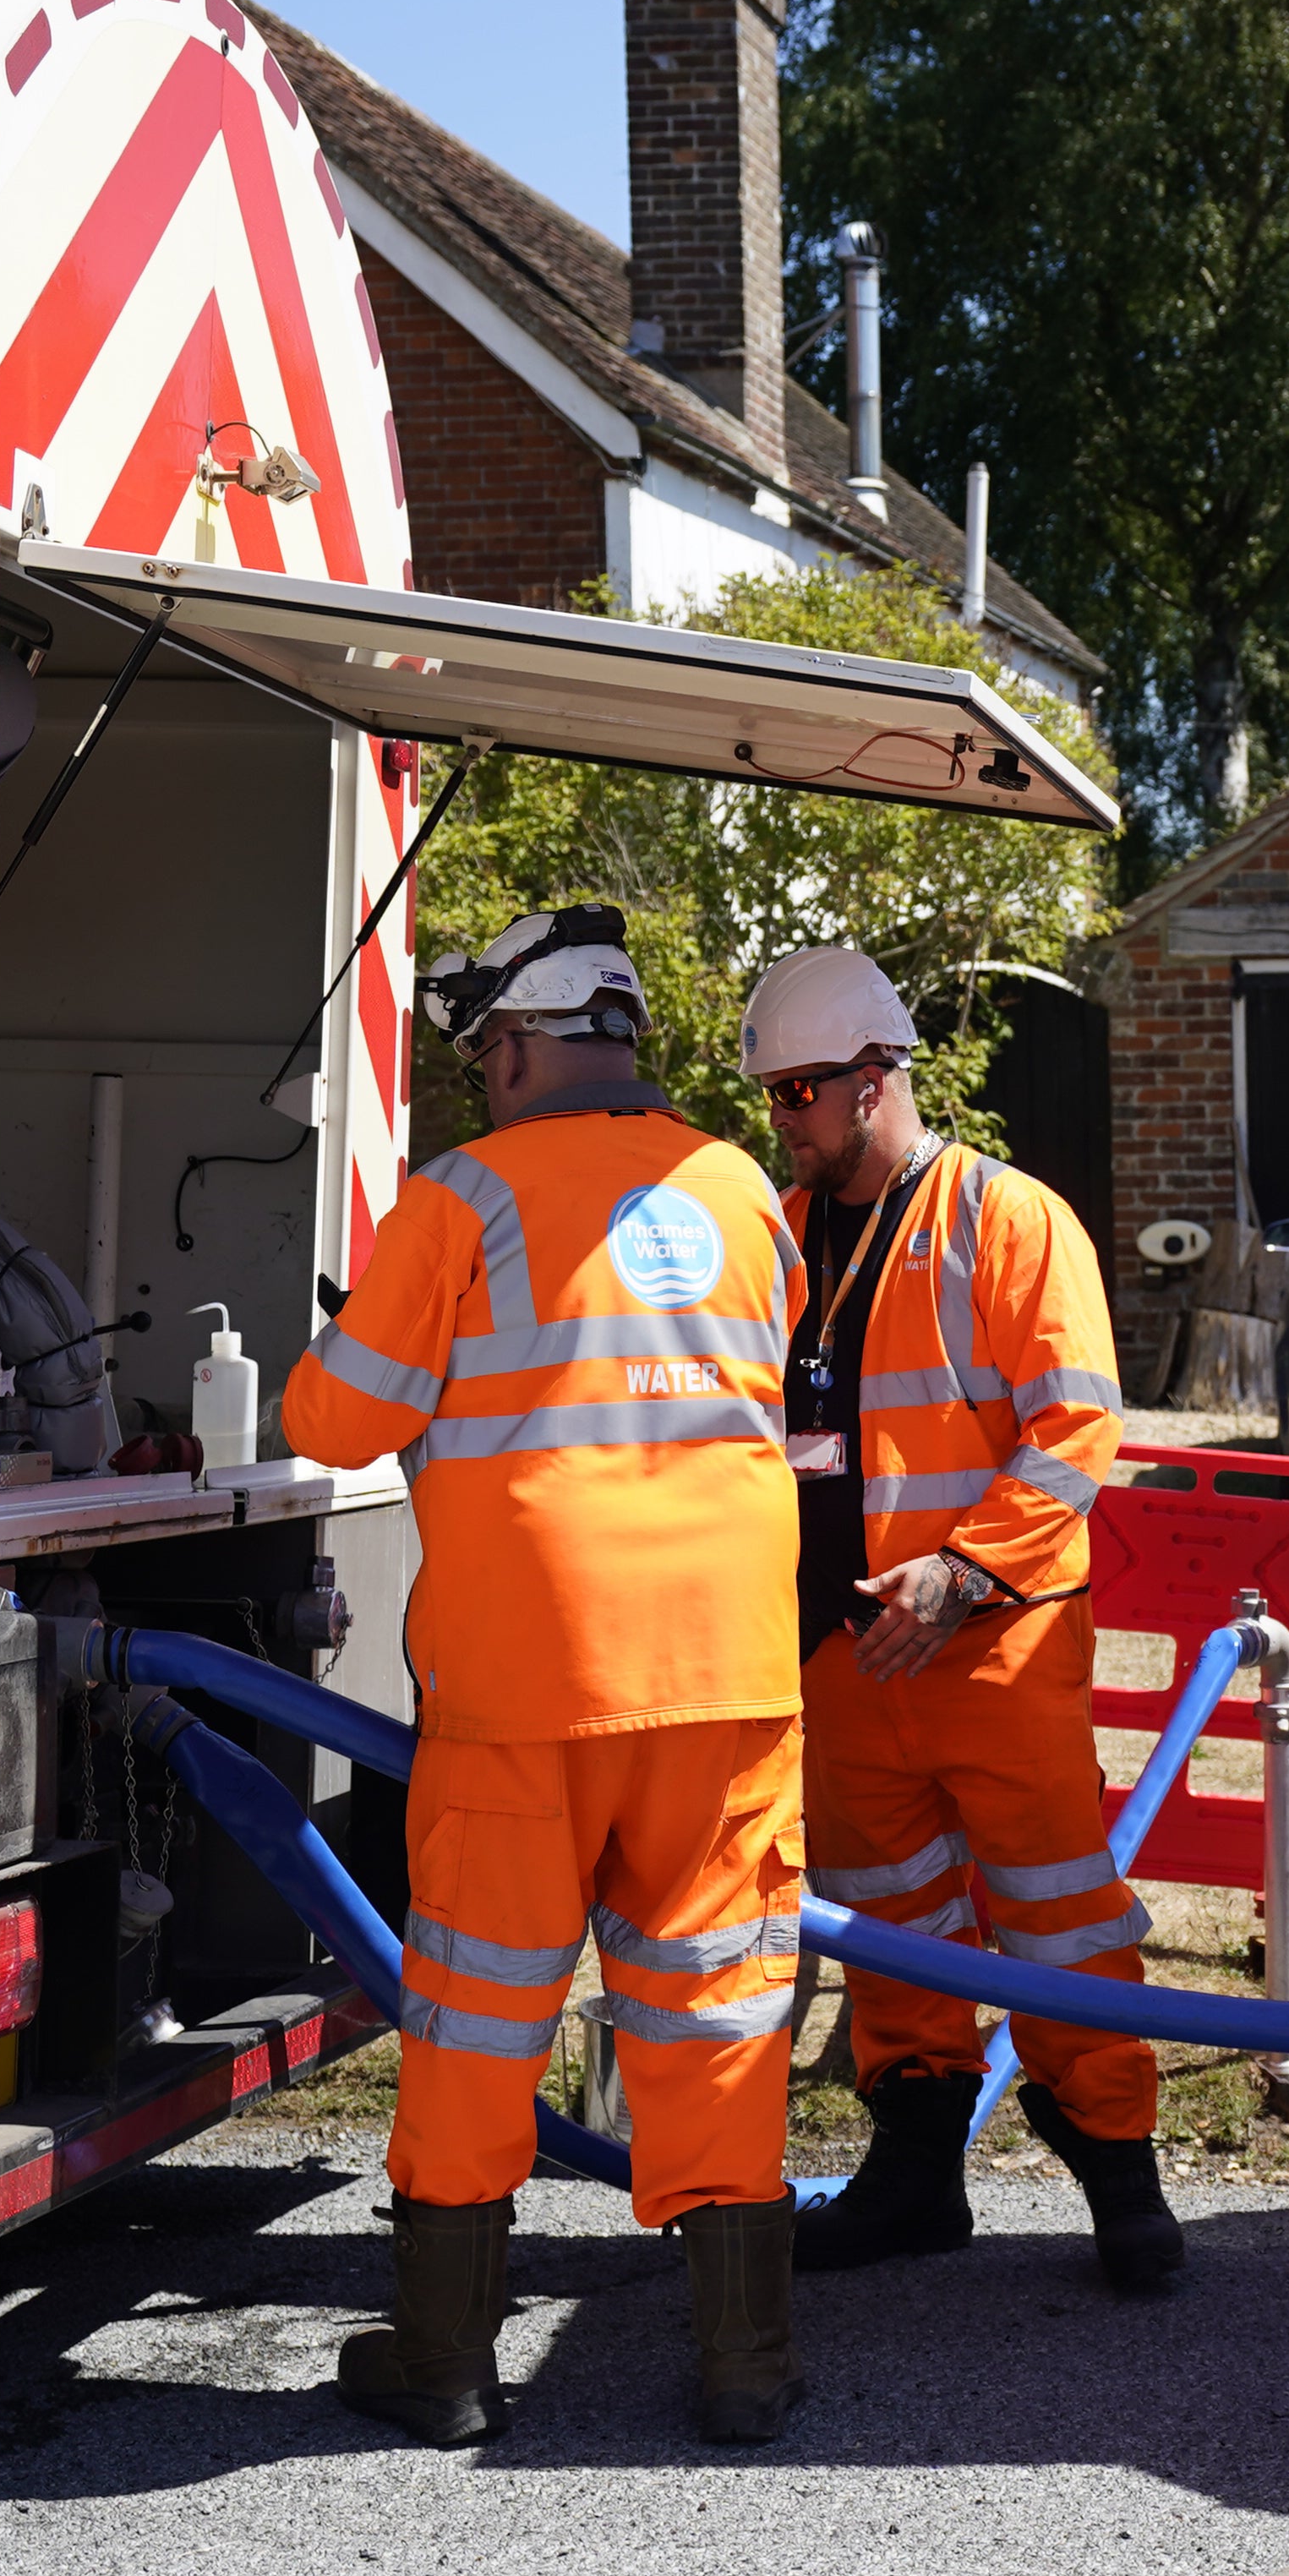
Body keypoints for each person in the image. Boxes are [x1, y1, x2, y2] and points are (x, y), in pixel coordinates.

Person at [278, 904, 815, 2447]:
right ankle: (745, 2362)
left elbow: (335, 1421)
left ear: (515, 1044)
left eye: (485, 1056)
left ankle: (445, 2362)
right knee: (714, 2010)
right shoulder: (740, 1191)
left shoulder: (462, 1197)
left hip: (529, 1684)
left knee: (477, 2012)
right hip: (726, 1671)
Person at [741, 946, 1179, 2294]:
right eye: (773, 1094)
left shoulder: (1007, 1219)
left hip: (994, 1646)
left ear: (879, 1081)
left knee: (1058, 1916)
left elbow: (1075, 1424)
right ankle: (917, 2178)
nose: (785, 1119)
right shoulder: (778, 1230)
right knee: (890, 1926)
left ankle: (1123, 2179)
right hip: (842, 1656)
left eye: (803, 1090)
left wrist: (964, 1571)